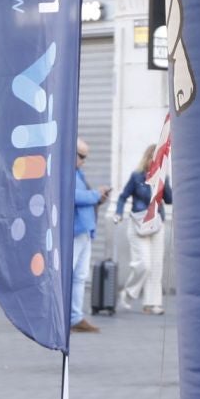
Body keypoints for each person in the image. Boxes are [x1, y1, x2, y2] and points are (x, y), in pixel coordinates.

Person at [114, 143, 172, 315]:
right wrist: (118, 213)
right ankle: (128, 292)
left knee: (156, 266)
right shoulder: (137, 176)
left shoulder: (162, 177)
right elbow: (123, 197)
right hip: (138, 224)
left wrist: (166, 184)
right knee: (144, 264)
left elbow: (169, 200)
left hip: (157, 224)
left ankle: (151, 304)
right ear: (149, 158)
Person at [70, 139, 111, 333]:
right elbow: (72, 196)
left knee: (79, 277)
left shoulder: (78, 173)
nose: (84, 161)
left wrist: (97, 197)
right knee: (71, 276)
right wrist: (96, 194)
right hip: (74, 231)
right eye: (82, 156)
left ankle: (75, 317)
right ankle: (68, 317)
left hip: (83, 231)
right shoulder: (65, 172)